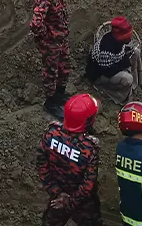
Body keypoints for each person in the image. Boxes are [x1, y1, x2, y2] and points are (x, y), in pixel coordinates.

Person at [39, 93, 103, 226]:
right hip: (82, 202)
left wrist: (57, 193)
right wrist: (70, 202)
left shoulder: (51, 133)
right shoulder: (89, 148)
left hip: (57, 196)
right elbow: (87, 186)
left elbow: (41, 166)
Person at [32, 0, 72, 118]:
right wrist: (47, 37)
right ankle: (51, 103)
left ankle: (59, 96)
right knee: (51, 72)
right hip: (52, 43)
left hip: (61, 39)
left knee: (65, 68)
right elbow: (35, 24)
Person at [86, 16, 140, 103]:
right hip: (99, 76)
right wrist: (125, 64)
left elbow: (121, 53)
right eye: (128, 36)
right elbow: (108, 71)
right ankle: (119, 97)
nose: (130, 38)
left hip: (112, 67)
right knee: (127, 79)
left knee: (136, 52)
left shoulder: (117, 40)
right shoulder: (107, 47)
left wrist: (126, 61)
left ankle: (136, 84)